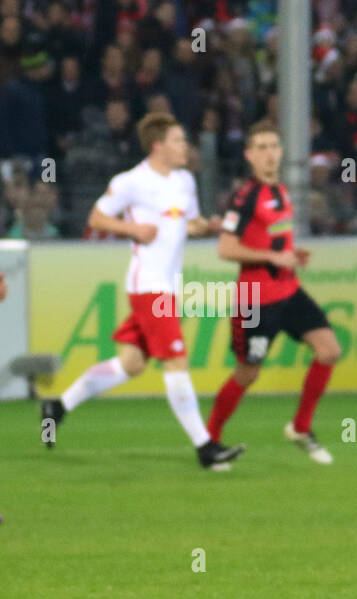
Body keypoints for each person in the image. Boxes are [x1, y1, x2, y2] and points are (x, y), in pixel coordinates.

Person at [39, 112, 245, 471]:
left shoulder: (184, 181)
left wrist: (207, 226)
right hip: (149, 285)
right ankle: (204, 447)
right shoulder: (131, 181)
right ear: (158, 145)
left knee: (131, 364)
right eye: (179, 140)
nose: (186, 147)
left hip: (170, 285)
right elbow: (97, 218)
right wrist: (132, 230)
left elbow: (189, 223)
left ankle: (57, 407)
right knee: (176, 360)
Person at [206, 119, 341, 464]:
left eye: (274, 147)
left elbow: (273, 241)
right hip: (256, 301)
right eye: (262, 148)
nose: (270, 154)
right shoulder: (244, 196)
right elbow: (226, 248)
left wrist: (291, 258)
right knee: (248, 373)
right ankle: (210, 441)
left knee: (328, 350)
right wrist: (271, 256)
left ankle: (300, 427)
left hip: (289, 291)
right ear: (249, 155)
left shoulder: (279, 191)